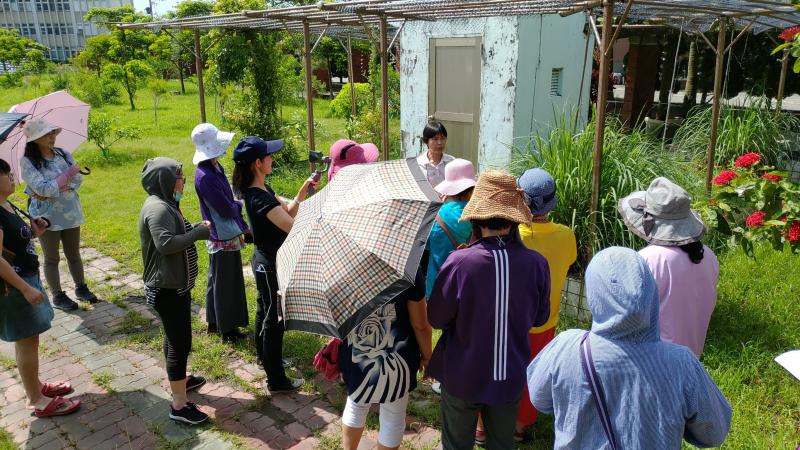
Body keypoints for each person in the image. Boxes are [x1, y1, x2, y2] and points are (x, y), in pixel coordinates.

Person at [527, 247, 732, 449]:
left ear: (595, 293)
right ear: (650, 291)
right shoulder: (681, 363)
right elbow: (714, 433)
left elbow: (539, 398)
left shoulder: (566, 348)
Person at [428, 170, 551, 450]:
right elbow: (540, 318)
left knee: (456, 445)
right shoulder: (536, 264)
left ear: (476, 215)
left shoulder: (459, 262)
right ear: (514, 217)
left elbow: (436, 318)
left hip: (462, 375)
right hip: (510, 375)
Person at [0, 158, 81, 418]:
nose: (13, 178)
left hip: (26, 277)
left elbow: (14, 242)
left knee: (30, 338)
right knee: (26, 339)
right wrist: (24, 288)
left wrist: (33, 232)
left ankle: (36, 386)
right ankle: (35, 400)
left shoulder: (6, 204)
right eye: (7, 174)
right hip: (13, 287)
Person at [232, 136, 313, 393]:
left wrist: (301, 193)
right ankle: (276, 379)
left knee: (264, 311)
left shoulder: (262, 190)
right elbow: (292, 227)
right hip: (268, 265)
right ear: (257, 163)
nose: (272, 159)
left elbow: (287, 211)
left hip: (266, 261)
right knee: (274, 320)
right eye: (268, 156)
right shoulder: (259, 198)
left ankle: (265, 358)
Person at [139, 157, 211, 425]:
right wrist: (198, 234)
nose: (183, 181)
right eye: (179, 177)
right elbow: (166, 245)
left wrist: (194, 229)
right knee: (180, 343)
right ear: (165, 181)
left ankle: (179, 381)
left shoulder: (167, 204)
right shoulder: (158, 209)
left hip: (176, 287)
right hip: (166, 289)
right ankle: (179, 405)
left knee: (175, 338)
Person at [618, 177, 719, 357]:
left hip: (653, 360)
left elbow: (630, 317)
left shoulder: (649, 260)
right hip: (691, 356)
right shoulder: (709, 256)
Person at [511, 168, 576, 442]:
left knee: (503, 370)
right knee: (532, 373)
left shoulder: (514, 236)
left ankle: (483, 425)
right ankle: (520, 426)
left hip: (510, 320)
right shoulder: (566, 235)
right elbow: (569, 261)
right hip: (544, 321)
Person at [339, 269, 432, 450]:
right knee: (394, 415)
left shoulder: (342, 263)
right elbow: (421, 325)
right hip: (398, 356)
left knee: (356, 403)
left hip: (356, 351)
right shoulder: (407, 264)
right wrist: (428, 357)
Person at [20, 118, 98, 311]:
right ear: (35, 139)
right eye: (47, 134)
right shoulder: (28, 162)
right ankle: (57, 295)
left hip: (70, 213)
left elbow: (78, 179)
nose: (52, 137)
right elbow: (42, 188)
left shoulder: (63, 154)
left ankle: (81, 287)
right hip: (46, 217)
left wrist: (54, 187)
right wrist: (64, 178)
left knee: (74, 254)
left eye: (53, 133)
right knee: (51, 257)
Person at [192, 123, 249, 343]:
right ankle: (228, 329)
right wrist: (240, 206)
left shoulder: (214, 168)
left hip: (223, 231)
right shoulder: (205, 176)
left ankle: (215, 322)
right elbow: (224, 208)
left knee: (217, 278)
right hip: (221, 233)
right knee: (226, 281)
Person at [416, 120, 455, 188]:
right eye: (435, 139)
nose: (439, 143)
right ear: (426, 141)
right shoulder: (418, 164)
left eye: (442, 138)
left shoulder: (452, 162)